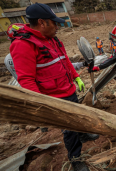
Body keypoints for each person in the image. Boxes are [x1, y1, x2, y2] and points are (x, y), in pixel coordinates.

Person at [9, 3, 99, 171]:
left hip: (68, 90)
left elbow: (64, 60)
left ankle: (83, 133)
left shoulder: (52, 39)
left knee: (78, 115)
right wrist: (43, 104)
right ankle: (76, 158)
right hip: (54, 98)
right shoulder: (23, 45)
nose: (57, 27)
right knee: (69, 130)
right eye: (54, 23)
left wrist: (76, 77)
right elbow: (26, 80)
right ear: (42, 23)